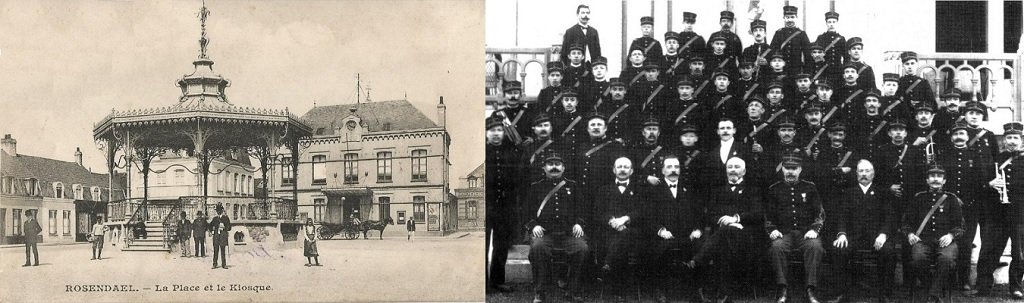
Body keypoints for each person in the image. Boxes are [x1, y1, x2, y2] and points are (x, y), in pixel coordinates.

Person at [692, 156, 763, 302]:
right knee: (725, 240)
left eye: (737, 167)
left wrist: (736, 219)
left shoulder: (752, 189)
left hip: (745, 236)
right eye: (729, 167)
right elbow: (710, 215)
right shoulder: (718, 190)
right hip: (722, 235)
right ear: (725, 171)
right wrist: (727, 223)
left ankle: (698, 261)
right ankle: (724, 294)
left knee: (725, 233)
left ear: (744, 171)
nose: (733, 170)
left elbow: (758, 214)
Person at [524, 153, 589, 303]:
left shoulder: (573, 186)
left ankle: (572, 290)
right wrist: (533, 226)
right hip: (545, 234)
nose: (554, 167)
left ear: (563, 168)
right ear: (544, 168)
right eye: (550, 164)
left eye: (557, 164)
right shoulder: (536, 187)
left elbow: (583, 209)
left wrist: (579, 223)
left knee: (582, 248)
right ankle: (539, 291)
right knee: (538, 247)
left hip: (568, 234)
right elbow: (526, 211)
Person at [831, 160, 898, 303]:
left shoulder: (883, 192)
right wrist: (842, 234)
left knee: (889, 252)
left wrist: (883, 234)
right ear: (856, 174)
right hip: (854, 237)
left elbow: (890, 216)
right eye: (861, 171)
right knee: (839, 250)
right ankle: (841, 293)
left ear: (873, 174)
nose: (864, 174)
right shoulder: (848, 193)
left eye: (867, 171)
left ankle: (885, 294)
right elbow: (841, 215)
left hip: (876, 237)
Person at [766, 153, 825, 303]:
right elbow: (768, 215)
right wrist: (772, 229)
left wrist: (814, 229)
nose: (790, 171)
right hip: (784, 233)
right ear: (782, 169)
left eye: (794, 168)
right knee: (776, 247)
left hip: (806, 233)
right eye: (787, 168)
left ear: (800, 170)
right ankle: (782, 289)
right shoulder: (774, 189)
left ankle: (811, 290)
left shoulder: (810, 187)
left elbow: (819, 212)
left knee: (815, 247)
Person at [902, 165, 965, 303]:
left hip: (945, 241)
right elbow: (906, 223)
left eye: (939, 177)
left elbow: (960, 226)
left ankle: (931, 294)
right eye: (932, 176)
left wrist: (951, 236)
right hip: (922, 240)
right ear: (927, 180)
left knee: (947, 259)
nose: (935, 179)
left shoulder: (952, 199)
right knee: (918, 259)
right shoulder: (918, 198)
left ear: (944, 181)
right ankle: (934, 291)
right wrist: (910, 234)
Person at [980, 122, 1024, 299]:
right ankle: (983, 285)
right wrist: (990, 184)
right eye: (1009, 138)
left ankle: (1015, 286)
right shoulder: (995, 160)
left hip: (1020, 214)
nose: (1012, 141)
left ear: (1021, 141)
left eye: (1016, 138)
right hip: (997, 213)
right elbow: (982, 183)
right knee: (990, 250)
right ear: (1004, 140)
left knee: (1019, 254)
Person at [486, 115, 519, 293]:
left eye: (499, 130)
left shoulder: (511, 152)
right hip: (486, 207)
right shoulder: (482, 152)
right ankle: (481, 283)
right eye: (492, 130)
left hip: (504, 207)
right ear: (486, 133)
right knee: (482, 245)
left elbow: (517, 180)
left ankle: (497, 281)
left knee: (501, 245)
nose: (496, 134)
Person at [770, 5, 812, 75]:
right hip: (781, 70)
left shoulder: (802, 34)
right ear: (784, 18)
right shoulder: (779, 33)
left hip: (796, 70)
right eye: (787, 17)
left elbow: (808, 55)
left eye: (792, 17)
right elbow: (772, 51)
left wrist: (807, 72)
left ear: (796, 18)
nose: (790, 20)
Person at [210, 204, 231, 269]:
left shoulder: (225, 218)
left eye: (219, 210)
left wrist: (225, 227)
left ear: (222, 211)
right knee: (215, 251)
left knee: (223, 251)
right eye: (217, 211)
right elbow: (210, 226)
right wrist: (212, 231)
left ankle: (224, 264)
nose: (218, 212)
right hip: (216, 236)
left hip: (223, 236)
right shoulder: (215, 219)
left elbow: (229, 227)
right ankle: (214, 264)